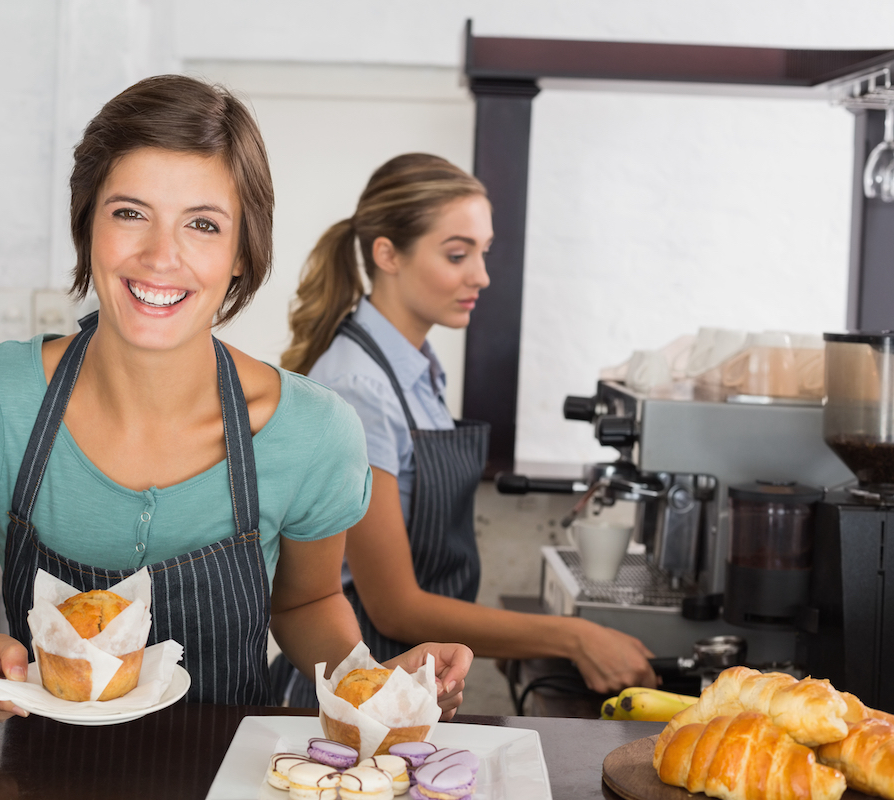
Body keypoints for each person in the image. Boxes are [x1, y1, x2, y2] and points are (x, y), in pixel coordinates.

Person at [0, 76, 473, 722]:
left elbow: (304, 606)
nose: (161, 256)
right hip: (34, 777)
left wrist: (374, 680)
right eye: (130, 213)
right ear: (87, 225)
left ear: (241, 254)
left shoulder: (314, 432)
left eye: (202, 224)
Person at [274, 153, 656, 707]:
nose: (481, 275)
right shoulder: (361, 388)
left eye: (483, 252)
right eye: (458, 254)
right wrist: (575, 637)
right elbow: (394, 605)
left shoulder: (415, 366)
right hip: (358, 685)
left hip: (407, 684)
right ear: (387, 254)